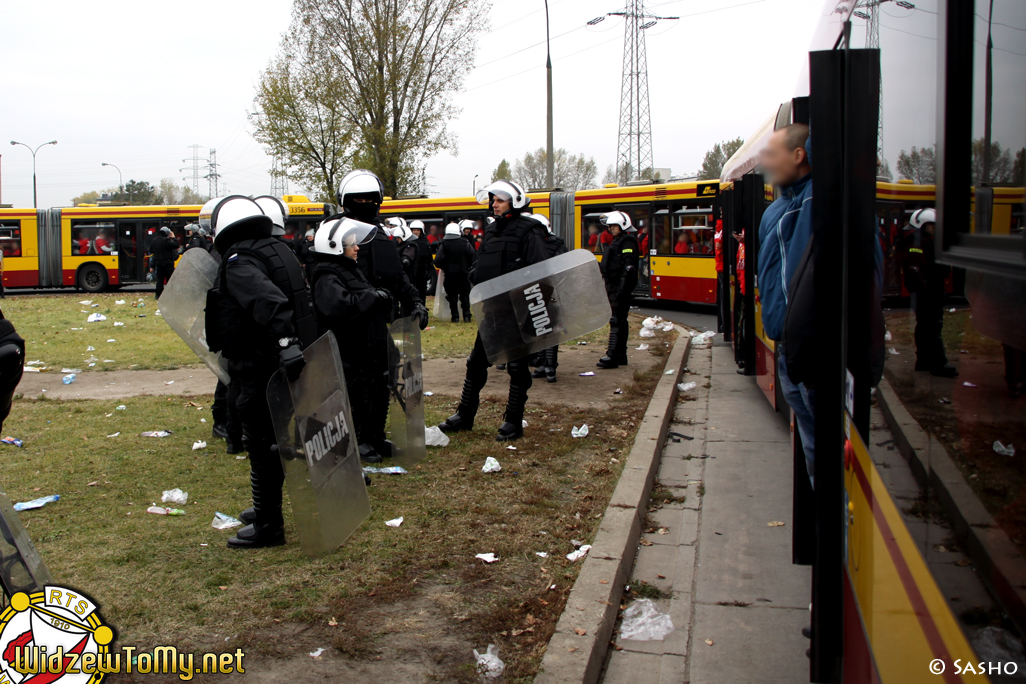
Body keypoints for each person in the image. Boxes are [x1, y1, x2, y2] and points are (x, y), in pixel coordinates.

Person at [203, 195, 317, 549]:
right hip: (283, 361)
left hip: (259, 362)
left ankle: (269, 525)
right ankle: (264, 507)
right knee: (275, 437)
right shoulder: (276, 248)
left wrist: (284, 340)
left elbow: (268, 301)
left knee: (261, 443)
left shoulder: (239, 260)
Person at [438, 180, 549, 441]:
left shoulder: (531, 230)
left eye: (499, 200)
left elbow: (541, 272)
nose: (494, 204)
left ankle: (513, 422)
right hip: (493, 309)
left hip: (517, 311)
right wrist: (476, 275)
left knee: (517, 368)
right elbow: (481, 262)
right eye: (493, 200)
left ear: (515, 201)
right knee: (476, 363)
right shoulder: (491, 230)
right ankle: (465, 415)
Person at [335, 169, 428, 461]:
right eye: (357, 198)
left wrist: (415, 302)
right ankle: (358, 438)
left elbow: (398, 277)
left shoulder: (382, 237)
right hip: (349, 323)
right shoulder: (334, 233)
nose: (363, 203)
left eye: (368, 198)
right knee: (356, 384)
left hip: (378, 322)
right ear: (346, 201)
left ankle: (375, 434)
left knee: (383, 378)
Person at [755, 123, 815, 483]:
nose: (765, 163)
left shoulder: (813, 203)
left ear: (799, 155)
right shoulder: (777, 210)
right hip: (787, 349)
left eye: (772, 154)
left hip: (809, 350)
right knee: (811, 448)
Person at [309, 216, 392, 463]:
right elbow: (341, 308)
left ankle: (374, 435)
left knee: (376, 392)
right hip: (349, 350)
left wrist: (379, 297)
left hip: (367, 348)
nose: (357, 248)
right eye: (351, 244)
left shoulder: (347, 269)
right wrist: (374, 297)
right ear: (335, 246)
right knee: (357, 396)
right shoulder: (326, 275)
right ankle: (358, 440)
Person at [900, 208, 958, 378]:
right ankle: (939, 364)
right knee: (933, 327)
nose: (934, 229)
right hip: (927, 292)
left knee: (924, 326)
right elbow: (924, 269)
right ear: (922, 225)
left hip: (923, 292)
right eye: (932, 225)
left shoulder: (919, 241)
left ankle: (923, 361)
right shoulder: (918, 243)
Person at [597, 211, 640, 369]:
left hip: (619, 287)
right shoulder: (619, 241)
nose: (611, 228)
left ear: (622, 225)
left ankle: (612, 355)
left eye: (614, 225)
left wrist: (622, 288)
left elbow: (629, 267)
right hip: (613, 285)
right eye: (610, 226)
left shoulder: (627, 241)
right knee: (620, 321)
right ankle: (620, 355)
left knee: (616, 320)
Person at [531, 214, 567, 382]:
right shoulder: (533, 243)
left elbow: (563, 267)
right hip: (536, 289)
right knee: (539, 327)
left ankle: (550, 366)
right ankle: (542, 363)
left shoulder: (557, 243)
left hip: (552, 290)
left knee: (552, 328)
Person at [433, 222, 476, 323]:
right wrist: (468, 267)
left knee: (452, 296)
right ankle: (466, 316)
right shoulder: (465, 243)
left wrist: (444, 266)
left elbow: (437, 260)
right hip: (463, 274)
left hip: (450, 275)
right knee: (464, 295)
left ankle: (455, 317)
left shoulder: (444, 244)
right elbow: (473, 256)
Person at [149, 226, 180, 298]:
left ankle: (158, 295)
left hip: (159, 264)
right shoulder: (167, 241)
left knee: (160, 280)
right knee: (170, 280)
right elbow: (176, 245)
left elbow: (151, 251)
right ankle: (171, 295)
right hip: (168, 264)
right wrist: (173, 237)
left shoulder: (154, 240)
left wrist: (152, 265)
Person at [409, 220, 434, 301]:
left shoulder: (425, 242)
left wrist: (430, 271)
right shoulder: (408, 242)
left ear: (421, 231)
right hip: (411, 273)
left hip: (422, 272)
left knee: (422, 293)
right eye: (414, 230)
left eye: (417, 230)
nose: (416, 232)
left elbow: (429, 258)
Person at [714, 219, 729, 335]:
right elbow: (720, 249)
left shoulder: (717, 231)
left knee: (723, 296)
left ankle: (724, 324)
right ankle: (725, 324)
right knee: (725, 296)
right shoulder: (724, 231)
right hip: (723, 266)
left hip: (719, 266)